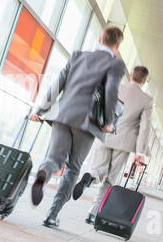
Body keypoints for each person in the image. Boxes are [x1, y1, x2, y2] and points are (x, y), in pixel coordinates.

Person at [29, 27, 126, 228]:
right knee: (73, 168)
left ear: (100, 39)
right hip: (87, 122)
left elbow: (58, 84)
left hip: (63, 115)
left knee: (54, 159)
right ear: (117, 46)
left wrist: (40, 110)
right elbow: (110, 93)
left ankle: (43, 174)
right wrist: (108, 121)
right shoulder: (115, 64)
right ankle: (52, 215)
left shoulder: (78, 56)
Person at [72, 66, 154, 225]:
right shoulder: (147, 100)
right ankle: (93, 214)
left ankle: (90, 178)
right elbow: (145, 127)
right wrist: (140, 152)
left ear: (131, 75)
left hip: (105, 134)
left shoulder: (116, 88)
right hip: (124, 142)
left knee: (98, 169)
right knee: (110, 179)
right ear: (144, 81)